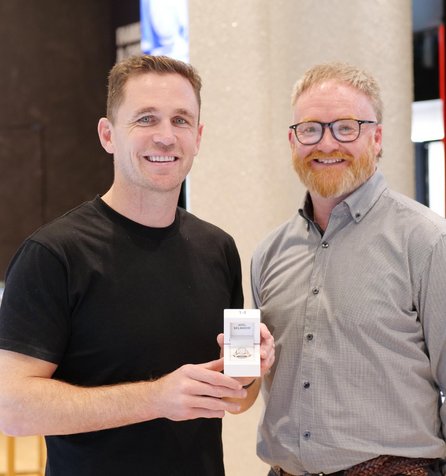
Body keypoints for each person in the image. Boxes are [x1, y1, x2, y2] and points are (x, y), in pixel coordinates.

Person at [0, 54, 274, 476]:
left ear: (198, 137)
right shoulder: (55, 254)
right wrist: (155, 398)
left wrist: (248, 371)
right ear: (108, 135)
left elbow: (238, 401)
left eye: (181, 120)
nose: (166, 136)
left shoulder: (217, 248)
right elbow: (11, 407)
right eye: (146, 119)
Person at [251, 61, 446, 476]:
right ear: (292, 140)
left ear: (376, 138)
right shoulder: (268, 254)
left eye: (346, 128)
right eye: (310, 129)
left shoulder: (431, 244)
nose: (326, 144)